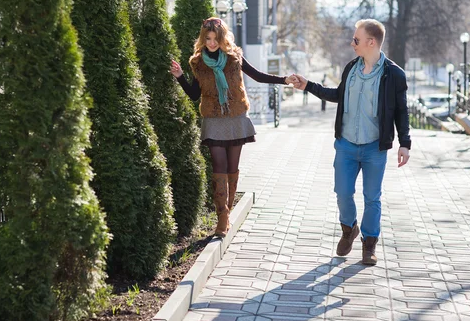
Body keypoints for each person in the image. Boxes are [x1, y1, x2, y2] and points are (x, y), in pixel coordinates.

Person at [291, 19, 411, 266]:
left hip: (374, 147)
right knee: (343, 193)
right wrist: (308, 86)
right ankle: (349, 229)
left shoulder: (394, 74)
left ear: (371, 42)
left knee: (372, 197)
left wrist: (404, 143)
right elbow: (337, 94)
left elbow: (401, 111)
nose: (352, 43)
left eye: (356, 40)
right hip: (346, 144)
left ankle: (369, 245)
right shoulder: (351, 69)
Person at [169, 17, 295, 238]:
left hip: (235, 116)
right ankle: (222, 217)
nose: (211, 43)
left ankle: (228, 205)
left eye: (215, 38)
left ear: (222, 38)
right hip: (213, 120)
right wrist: (180, 77)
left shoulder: (234, 57)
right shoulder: (198, 63)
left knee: (232, 167)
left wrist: (284, 80)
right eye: (207, 39)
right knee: (219, 164)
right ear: (203, 39)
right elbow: (194, 95)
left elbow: (257, 76)